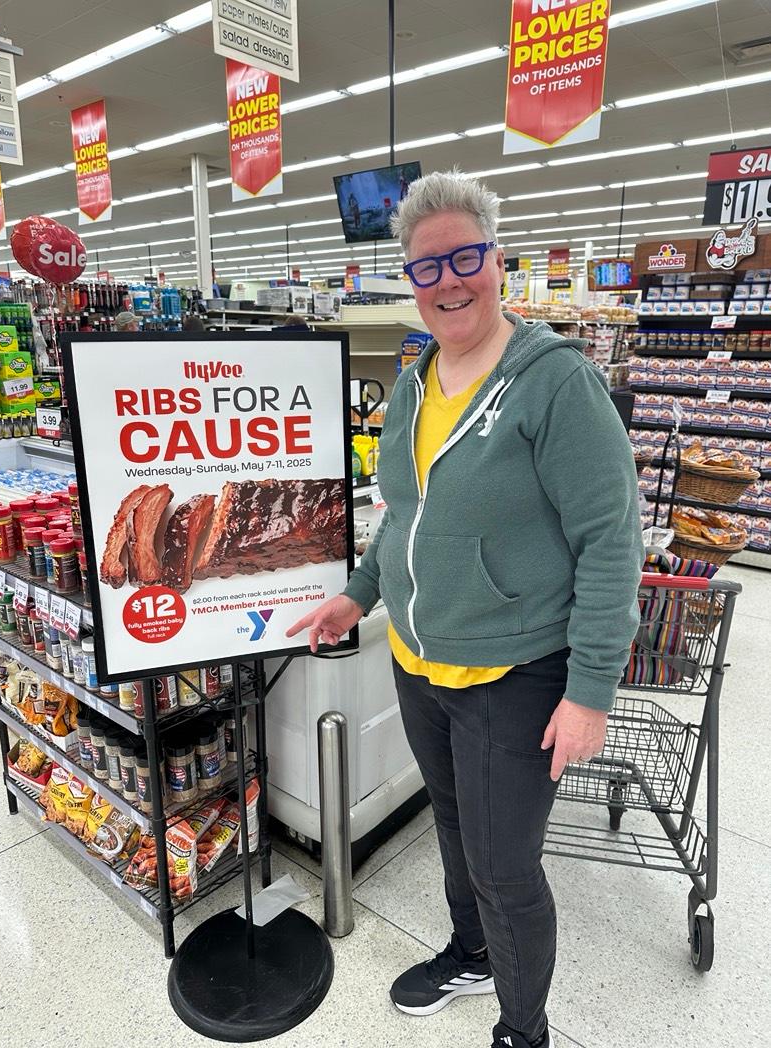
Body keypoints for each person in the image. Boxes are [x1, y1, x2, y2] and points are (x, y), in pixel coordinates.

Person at [287, 170, 643, 1048]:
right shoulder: (414, 383)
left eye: (465, 257)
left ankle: (524, 1032)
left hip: (515, 674)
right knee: (454, 830)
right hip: (420, 662)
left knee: (506, 870)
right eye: (426, 266)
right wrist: (358, 596)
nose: (448, 281)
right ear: (409, 279)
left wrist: (591, 690)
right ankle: (472, 953)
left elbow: (611, 542)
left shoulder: (555, 383)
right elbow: (404, 516)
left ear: (497, 260)